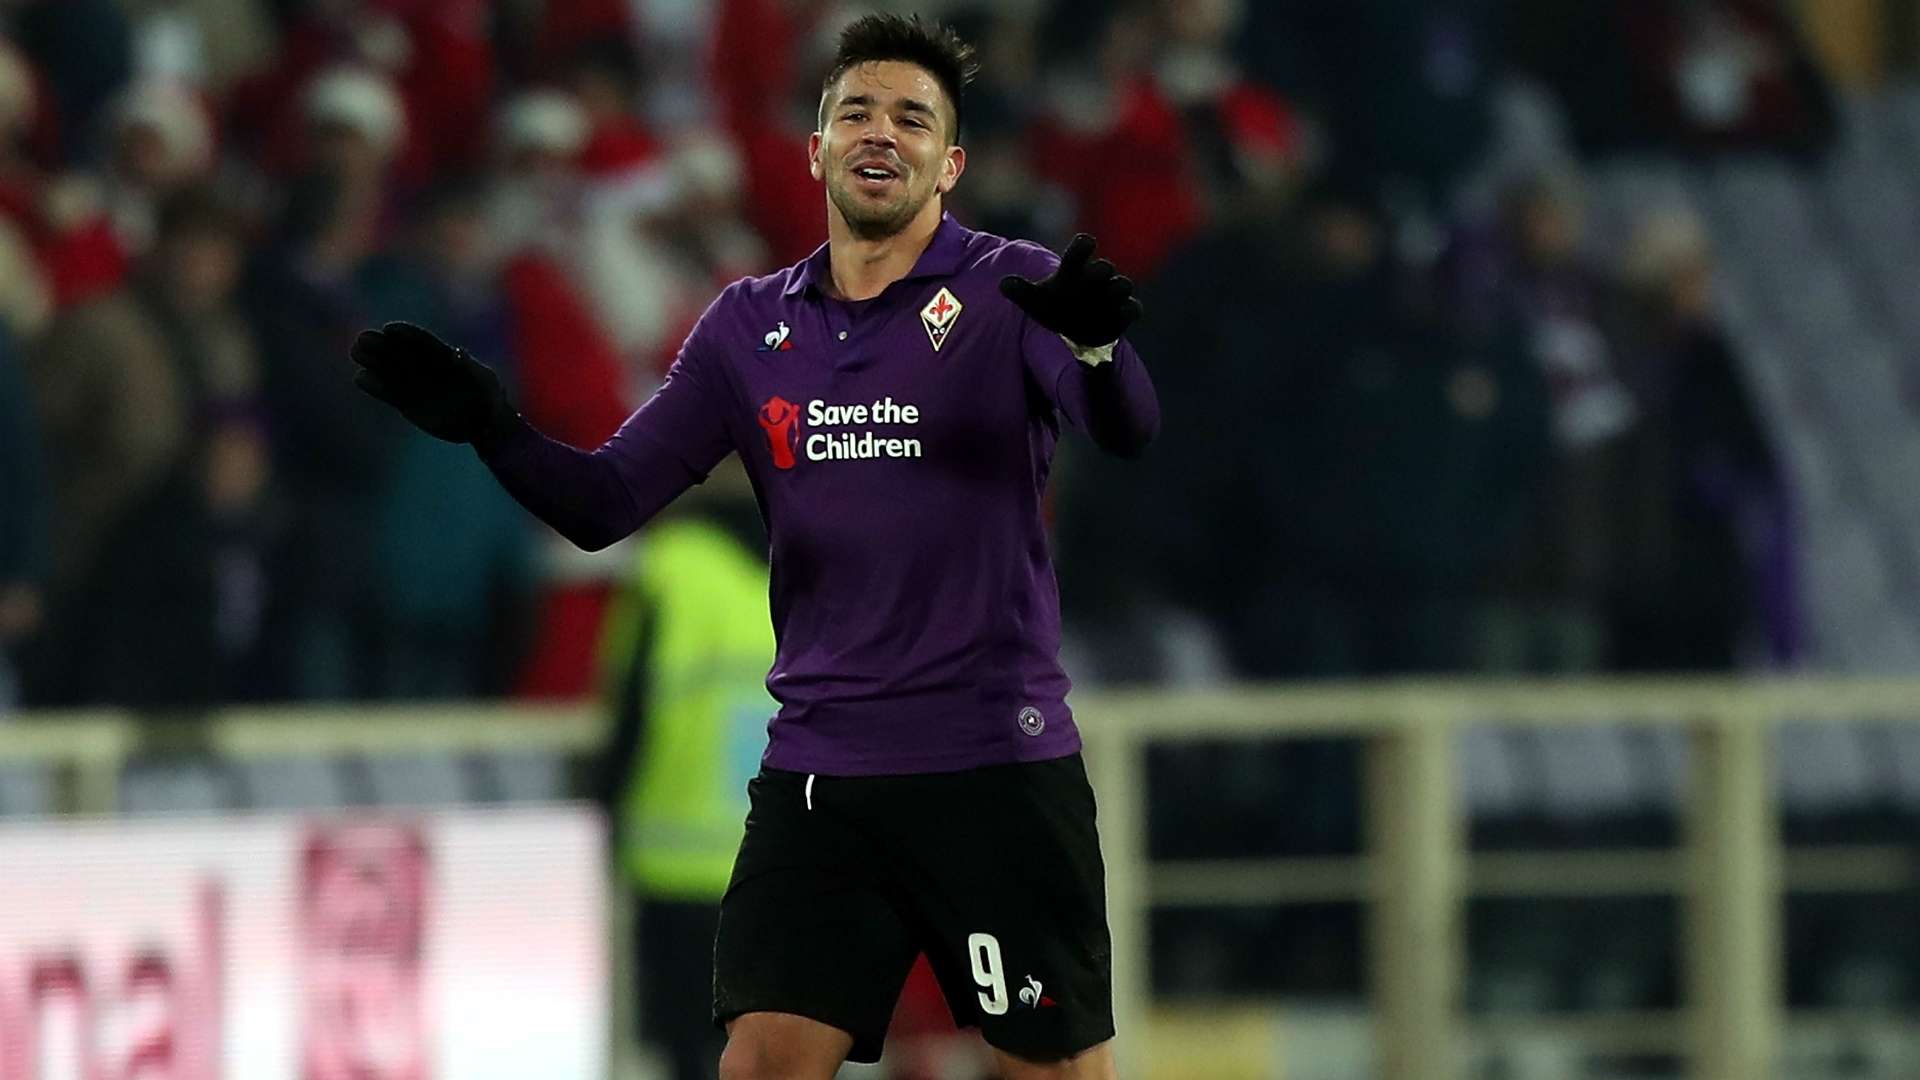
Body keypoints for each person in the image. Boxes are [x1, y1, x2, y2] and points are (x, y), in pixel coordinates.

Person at [349, 14, 1157, 1078]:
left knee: (1045, 1072)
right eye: (856, 111)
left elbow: (1123, 427)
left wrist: (1098, 347)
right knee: (763, 1063)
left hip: (993, 767)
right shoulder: (748, 326)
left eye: (913, 117)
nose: (882, 132)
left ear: (949, 163)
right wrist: (492, 427)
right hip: (822, 774)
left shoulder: (1014, 290)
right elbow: (603, 504)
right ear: (816, 149)